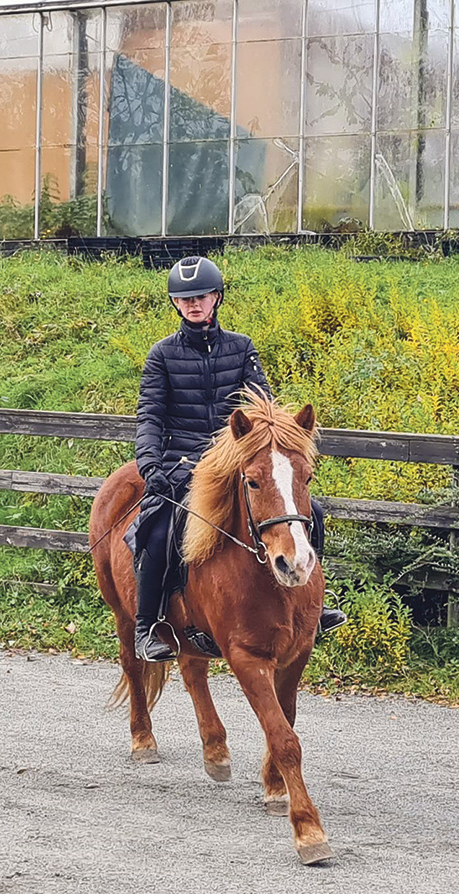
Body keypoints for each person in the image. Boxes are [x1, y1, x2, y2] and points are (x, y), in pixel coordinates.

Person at [130, 255, 346, 662]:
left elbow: (265, 406)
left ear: (217, 298)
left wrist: (278, 443)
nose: (194, 304)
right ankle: (148, 624)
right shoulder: (162, 355)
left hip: (240, 460)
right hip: (185, 463)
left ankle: (312, 602)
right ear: (176, 304)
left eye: (202, 296)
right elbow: (150, 417)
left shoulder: (241, 347)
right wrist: (151, 466)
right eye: (185, 298)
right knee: (157, 528)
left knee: (310, 511)